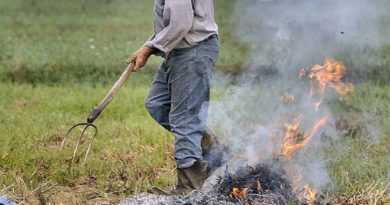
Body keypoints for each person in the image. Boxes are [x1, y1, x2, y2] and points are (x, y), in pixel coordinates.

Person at [126, 0, 224, 196]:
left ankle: (188, 189)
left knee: (185, 120)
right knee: (157, 103)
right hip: (180, 50)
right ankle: (214, 151)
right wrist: (149, 45)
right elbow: (174, 23)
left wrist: (148, 50)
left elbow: (180, 23)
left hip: (193, 50)